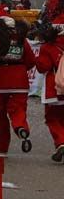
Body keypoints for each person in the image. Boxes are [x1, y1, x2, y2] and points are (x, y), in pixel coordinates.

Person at [0, 17, 35, 155]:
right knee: (18, 111)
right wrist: (21, 69)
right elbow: (31, 60)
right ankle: (21, 128)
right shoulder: (21, 39)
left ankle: (1, 149)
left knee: (0, 117)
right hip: (19, 82)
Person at [35, 23, 64, 162]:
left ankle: (61, 143)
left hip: (55, 88)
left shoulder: (48, 47)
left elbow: (43, 67)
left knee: (52, 118)